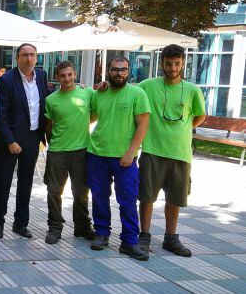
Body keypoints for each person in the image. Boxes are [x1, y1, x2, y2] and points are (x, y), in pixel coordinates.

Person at [137, 44, 206, 257]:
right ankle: (144, 236)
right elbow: (127, 93)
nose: (173, 68)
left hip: (180, 153)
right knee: (147, 196)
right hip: (152, 150)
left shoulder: (193, 90)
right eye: (168, 64)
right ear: (162, 64)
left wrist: (183, 130)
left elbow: (200, 115)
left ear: (183, 63)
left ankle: (171, 238)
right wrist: (103, 86)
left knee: (175, 198)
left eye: (177, 64)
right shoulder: (148, 86)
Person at [87, 56, 150, 261]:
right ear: (108, 71)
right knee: (99, 197)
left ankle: (129, 241)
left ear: (129, 71)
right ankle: (101, 233)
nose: (119, 73)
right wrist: (94, 89)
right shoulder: (99, 94)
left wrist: (131, 151)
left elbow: (143, 125)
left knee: (128, 199)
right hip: (97, 154)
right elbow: (91, 117)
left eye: (123, 69)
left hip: (124, 158)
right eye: (115, 69)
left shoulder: (137, 94)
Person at [0, 43, 50, 240]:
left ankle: (21, 223)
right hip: (8, 140)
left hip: (32, 138)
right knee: (3, 183)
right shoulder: (6, 80)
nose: (29, 58)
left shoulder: (41, 76)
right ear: (17, 58)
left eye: (32, 55)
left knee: (26, 183)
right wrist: (10, 141)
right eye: (25, 55)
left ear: (37, 57)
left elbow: (47, 100)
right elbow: (0, 114)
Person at [42, 61, 96, 244]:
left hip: (81, 150)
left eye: (70, 74)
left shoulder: (87, 93)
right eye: (62, 76)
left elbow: (95, 112)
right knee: (54, 191)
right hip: (57, 151)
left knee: (81, 191)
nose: (67, 78)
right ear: (57, 77)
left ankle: (82, 227)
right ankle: (55, 227)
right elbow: (48, 127)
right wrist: (54, 145)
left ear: (75, 74)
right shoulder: (51, 100)